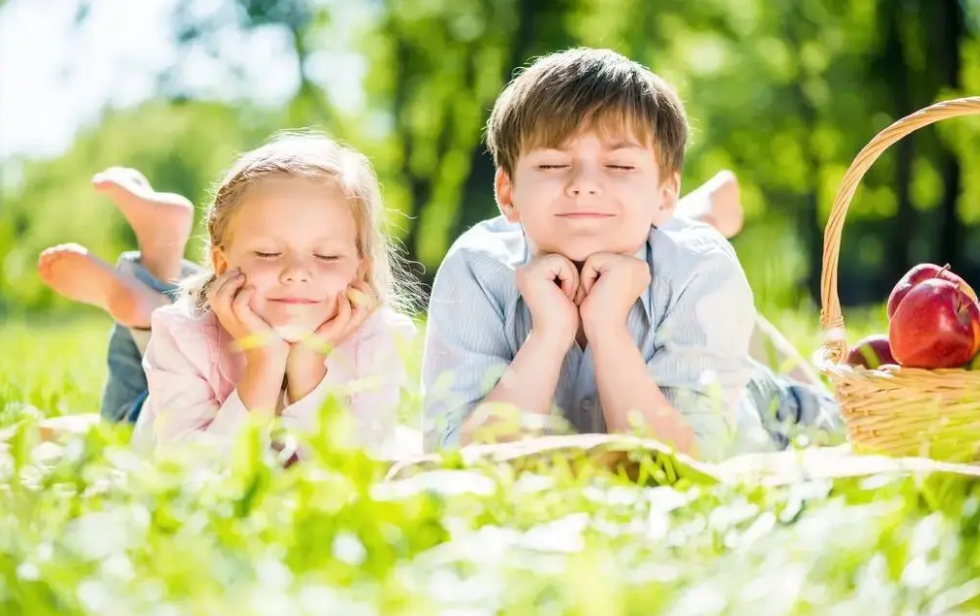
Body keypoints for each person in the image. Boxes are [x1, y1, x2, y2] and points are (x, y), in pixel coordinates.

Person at [420, 47, 840, 461]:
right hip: (672, 274)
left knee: (836, 418)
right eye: (551, 165)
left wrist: (607, 328)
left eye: (619, 167)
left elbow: (682, 464)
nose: (584, 184)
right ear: (507, 194)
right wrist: (549, 334)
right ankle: (700, 214)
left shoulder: (700, 266)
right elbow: (457, 460)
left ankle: (699, 226)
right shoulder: (475, 268)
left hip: (763, 414)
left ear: (664, 194)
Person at [38, 131, 418, 456]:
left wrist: (308, 368)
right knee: (116, 422)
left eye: (327, 255)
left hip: (184, 339)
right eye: (269, 253)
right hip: (147, 419)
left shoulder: (377, 340)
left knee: (163, 324)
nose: (298, 272)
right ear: (221, 265)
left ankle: (155, 267)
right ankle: (155, 271)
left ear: (360, 270)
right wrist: (264, 367)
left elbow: (347, 470)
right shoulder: (183, 333)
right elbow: (195, 476)